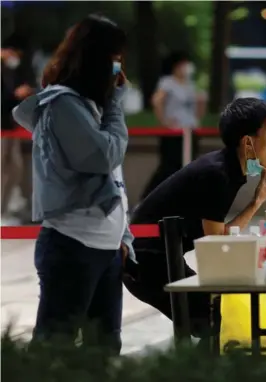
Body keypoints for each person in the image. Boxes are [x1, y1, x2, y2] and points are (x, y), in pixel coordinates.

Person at [12, 15, 133, 355]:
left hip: (106, 249)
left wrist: (123, 237)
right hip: (72, 245)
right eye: (115, 57)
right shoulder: (63, 104)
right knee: (55, 349)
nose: (119, 66)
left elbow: (115, 180)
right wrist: (115, 105)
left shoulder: (89, 105)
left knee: (104, 349)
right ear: (96, 57)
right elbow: (103, 157)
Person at [124, 97, 266, 338]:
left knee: (221, 318)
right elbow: (218, 245)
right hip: (144, 263)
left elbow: (221, 237)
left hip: (163, 258)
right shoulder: (217, 174)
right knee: (220, 320)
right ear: (248, 142)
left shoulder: (231, 169)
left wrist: (257, 200)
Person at [141, 51, 206, 198]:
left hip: (190, 131)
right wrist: (164, 121)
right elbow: (157, 101)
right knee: (168, 167)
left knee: (189, 166)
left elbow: (197, 110)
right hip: (174, 133)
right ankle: (147, 199)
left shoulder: (190, 84)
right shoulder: (167, 82)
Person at [1, 33, 35, 225]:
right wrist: (14, 95)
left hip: (10, 126)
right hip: (2, 128)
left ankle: (4, 209)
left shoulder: (11, 71)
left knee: (14, 167)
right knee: (2, 169)